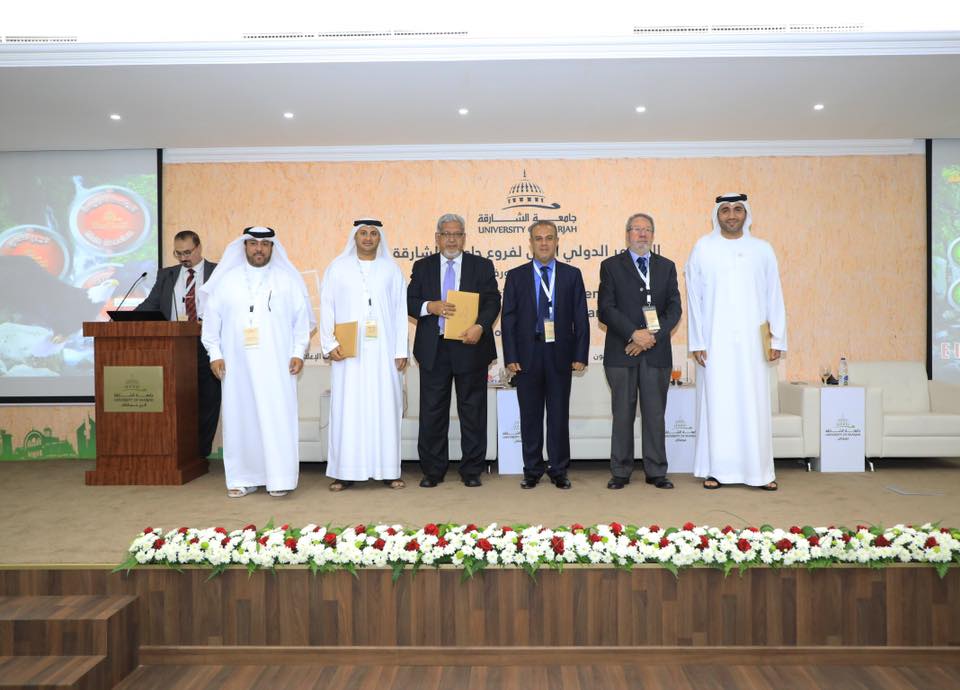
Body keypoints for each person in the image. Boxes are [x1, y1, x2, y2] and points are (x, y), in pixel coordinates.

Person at [199, 227, 312, 498]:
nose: (258, 249)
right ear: (244, 246)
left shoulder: (287, 281)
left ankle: (280, 478)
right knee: (241, 419)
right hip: (236, 367)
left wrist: (298, 352)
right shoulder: (226, 281)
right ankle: (242, 478)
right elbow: (211, 323)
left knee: (277, 418)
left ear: (272, 247)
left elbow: (301, 322)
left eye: (264, 244)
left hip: (278, 366)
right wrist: (215, 354)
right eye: (253, 243)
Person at [685, 194, 787, 491]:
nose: (731, 215)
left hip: (753, 345)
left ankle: (760, 473)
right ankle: (716, 470)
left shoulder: (762, 249)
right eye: (726, 210)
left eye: (738, 210)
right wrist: (697, 341)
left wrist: (777, 338)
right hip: (714, 343)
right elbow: (694, 299)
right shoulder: (703, 248)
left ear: (746, 214)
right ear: (717, 215)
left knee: (754, 404)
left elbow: (774, 294)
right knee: (718, 405)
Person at [407, 213, 501, 488]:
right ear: (437, 237)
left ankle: (471, 470)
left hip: (470, 346)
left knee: (473, 412)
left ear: (464, 238)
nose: (451, 239)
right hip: (434, 348)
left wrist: (480, 326)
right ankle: (432, 471)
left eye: (457, 234)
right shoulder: (422, 267)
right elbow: (409, 300)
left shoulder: (481, 266)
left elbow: (493, 301)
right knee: (432, 412)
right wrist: (430, 307)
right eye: (446, 234)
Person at [320, 219, 409, 491]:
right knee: (348, 409)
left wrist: (400, 349)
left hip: (384, 352)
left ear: (379, 238)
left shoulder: (391, 270)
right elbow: (327, 307)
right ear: (355, 237)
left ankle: (388, 470)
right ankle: (344, 472)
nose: (368, 238)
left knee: (385, 409)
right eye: (363, 233)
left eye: (373, 233)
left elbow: (400, 311)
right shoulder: (337, 268)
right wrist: (329, 343)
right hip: (349, 353)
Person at [501, 220, 589, 489]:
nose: (543, 243)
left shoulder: (572, 275)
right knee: (530, 415)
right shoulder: (516, 276)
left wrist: (580, 354)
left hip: (560, 353)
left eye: (549, 238)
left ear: (557, 242)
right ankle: (532, 469)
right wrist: (510, 356)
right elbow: (508, 320)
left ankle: (559, 469)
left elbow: (580, 318)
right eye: (538, 238)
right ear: (530, 243)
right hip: (527, 355)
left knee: (558, 415)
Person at [598, 213, 682, 490]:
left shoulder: (666, 267)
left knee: (655, 414)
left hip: (656, 353)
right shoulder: (610, 266)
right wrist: (634, 334)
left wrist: (650, 337)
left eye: (647, 230)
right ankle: (620, 472)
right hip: (621, 352)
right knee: (622, 414)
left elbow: (674, 309)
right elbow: (606, 308)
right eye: (636, 229)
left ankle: (656, 471)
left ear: (653, 235)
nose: (642, 234)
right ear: (627, 234)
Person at [137, 229, 221, 459]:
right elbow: (151, 304)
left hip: (207, 346)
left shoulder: (218, 272)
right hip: (174, 347)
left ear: (199, 248)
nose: (183, 258)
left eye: (187, 252)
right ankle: (177, 451)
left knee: (208, 401)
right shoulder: (167, 275)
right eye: (178, 253)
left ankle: (200, 454)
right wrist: (121, 319)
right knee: (176, 401)